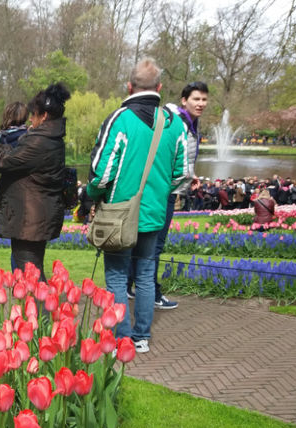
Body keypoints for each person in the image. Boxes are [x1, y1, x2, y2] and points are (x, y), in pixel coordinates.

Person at [86, 58, 188, 354]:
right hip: (154, 213)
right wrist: (159, 194)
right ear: (159, 87)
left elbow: (102, 173)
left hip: (119, 214)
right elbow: (181, 173)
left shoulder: (120, 120)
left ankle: (122, 338)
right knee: (145, 274)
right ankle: (142, 336)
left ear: (129, 86)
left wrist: (94, 194)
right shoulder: (174, 123)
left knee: (117, 276)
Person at [128, 80, 208, 309]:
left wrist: (190, 175)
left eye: (204, 99)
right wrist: (174, 182)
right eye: (196, 99)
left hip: (166, 188)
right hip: (164, 192)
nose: (201, 103)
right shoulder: (176, 123)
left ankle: (128, 285)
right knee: (155, 244)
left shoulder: (189, 123)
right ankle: (151, 292)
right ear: (184, 100)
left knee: (143, 242)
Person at [0, 83, 71, 277]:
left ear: (43, 116)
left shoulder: (39, 141)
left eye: (34, 114)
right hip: (36, 217)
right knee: (32, 272)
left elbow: (2, 162)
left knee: (31, 277)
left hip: (30, 220)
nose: (30, 118)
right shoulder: (50, 138)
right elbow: (15, 157)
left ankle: (40, 300)